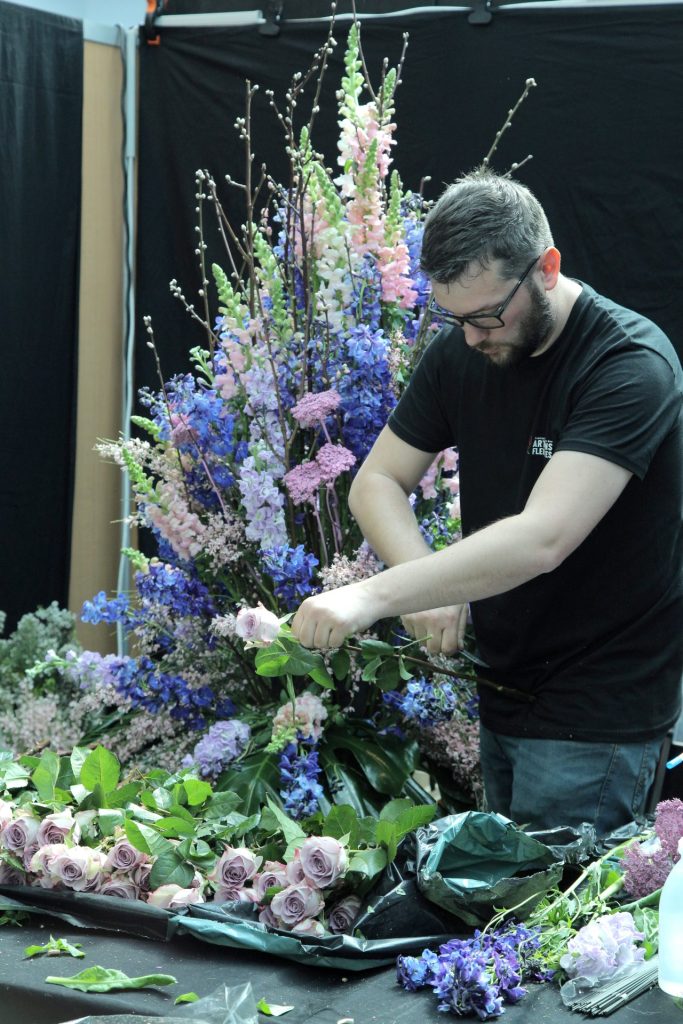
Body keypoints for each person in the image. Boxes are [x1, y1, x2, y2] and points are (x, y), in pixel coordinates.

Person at [291, 169, 683, 836]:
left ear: (546, 269)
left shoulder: (628, 365)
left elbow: (542, 538)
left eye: (485, 316)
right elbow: (376, 481)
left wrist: (372, 596)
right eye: (454, 318)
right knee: (503, 899)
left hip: (599, 710)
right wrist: (425, 587)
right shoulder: (467, 350)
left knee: (557, 902)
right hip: (502, 690)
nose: (471, 338)